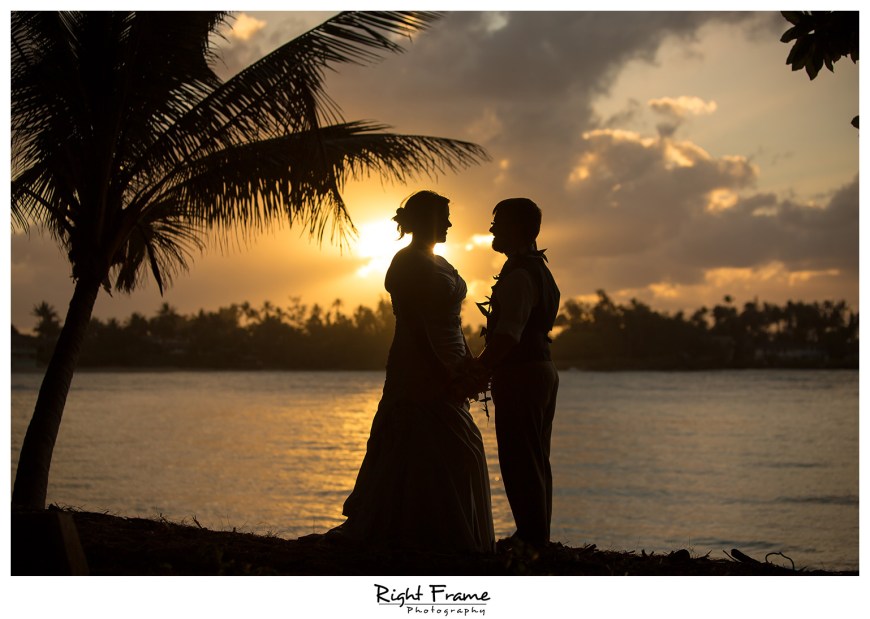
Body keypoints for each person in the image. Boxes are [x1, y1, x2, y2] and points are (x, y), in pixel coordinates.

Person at [333, 190, 495, 554]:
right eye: (443, 217)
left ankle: (442, 535)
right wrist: (441, 371)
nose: (450, 223)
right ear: (423, 221)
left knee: (454, 449)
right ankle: (415, 532)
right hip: (419, 362)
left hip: (451, 357)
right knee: (431, 442)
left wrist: (468, 362)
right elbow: (415, 325)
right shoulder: (406, 262)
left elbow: (453, 321)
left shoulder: (440, 261)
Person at [474, 197, 560, 549]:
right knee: (534, 455)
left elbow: (509, 334)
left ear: (520, 229)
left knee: (519, 457)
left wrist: (479, 369)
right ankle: (535, 534)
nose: (492, 229)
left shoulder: (521, 274)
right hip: (541, 370)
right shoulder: (540, 271)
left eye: (499, 223)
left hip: (523, 374)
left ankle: (532, 537)